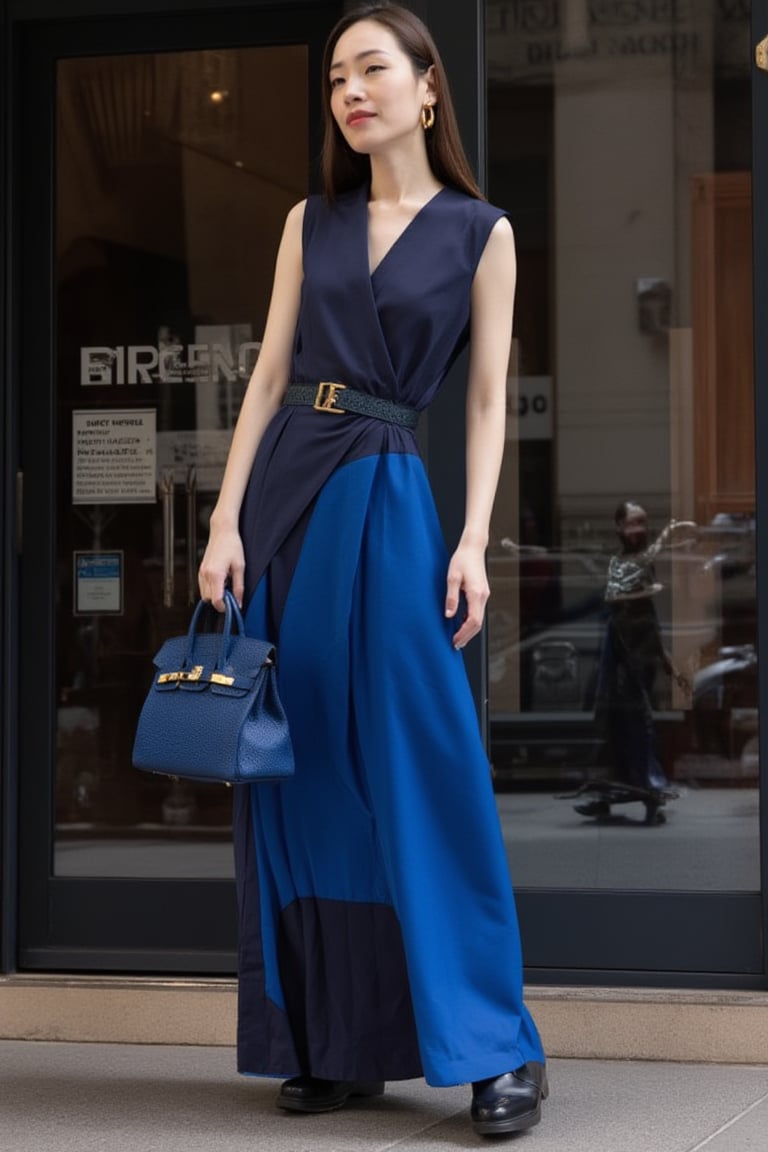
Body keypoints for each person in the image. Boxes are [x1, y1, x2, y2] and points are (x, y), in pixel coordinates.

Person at [198, 2, 546, 1137]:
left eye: (372, 69)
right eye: (338, 76)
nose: (350, 91)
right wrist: (223, 522)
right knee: (302, 775)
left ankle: (497, 1048)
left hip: (393, 492)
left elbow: (489, 400)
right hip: (290, 488)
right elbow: (264, 380)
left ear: (427, 86)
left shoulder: (480, 233)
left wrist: (474, 539)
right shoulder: (313, 218)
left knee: (421, 759)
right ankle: (336, 1042)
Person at [576, 501, 693, 825]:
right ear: (618, 527)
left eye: (642, 524)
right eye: (632, 524)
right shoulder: (618, 563)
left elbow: (648, 619)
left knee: (639, 727)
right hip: (618, 657)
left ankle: (649, 791)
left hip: (637, 661)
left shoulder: (639, 564)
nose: (638, 530)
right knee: (612, 728)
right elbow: (616, 599)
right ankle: (611, 793)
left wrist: (668, 663)